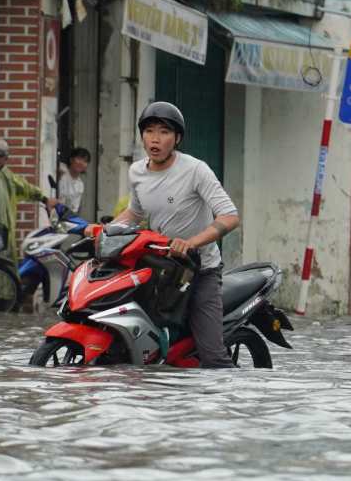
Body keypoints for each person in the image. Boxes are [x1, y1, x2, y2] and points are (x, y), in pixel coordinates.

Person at [87, 102, 240, 368]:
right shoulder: (137, 172)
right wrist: (105, 230)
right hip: (160, 268)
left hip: (199, 269)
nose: (155, 139)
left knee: (214, 359)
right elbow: (135, 213)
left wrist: (191, 243)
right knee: (131, 342)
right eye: (149, 131)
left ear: (177, 138)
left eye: (164, 132)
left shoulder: (195, 170)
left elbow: (230, 216)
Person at [0, 137, 55, 260]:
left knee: (4, 270)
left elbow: (26, 187)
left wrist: (45, 199)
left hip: (3, 237)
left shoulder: (7, 176)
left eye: (1, 156)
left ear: (6, 158)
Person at [58, 147, 90, 216]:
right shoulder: (62, 170)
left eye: (85, 161)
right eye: (79, 159)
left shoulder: (80, 184)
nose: (81, 163)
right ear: (71, 160)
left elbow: (75, 209)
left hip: (65, 218)